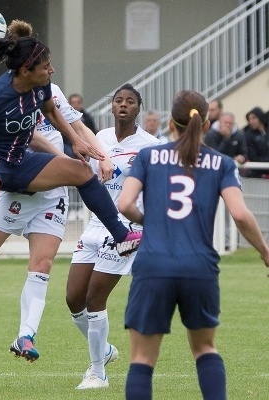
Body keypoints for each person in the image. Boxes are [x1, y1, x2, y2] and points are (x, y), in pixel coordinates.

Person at [0, 19, 109, 363]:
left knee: (41, 265)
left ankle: (25, 336)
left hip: (50, 190)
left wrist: (101, 155)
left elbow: (76, 125)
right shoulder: (8, 93)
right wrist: (60, 158)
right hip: (18, 182)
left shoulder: (48, 89)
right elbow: (29, 137)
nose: (48, 68)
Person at [0, 23, 142, 286]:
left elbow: (52, 112)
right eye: (45, 66)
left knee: (82, 171)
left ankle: (121, 237)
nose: (51, 70)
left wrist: (74, 140)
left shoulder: (41, 84)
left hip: (18, 159)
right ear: (24, 70)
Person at [117, 90, 269, 400]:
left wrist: (151, 220)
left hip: (153, 266)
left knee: (142, 359)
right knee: (204, 348)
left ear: (171, 123)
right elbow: (239, 214)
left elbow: (124, 204)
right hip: (199, 267)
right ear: (207, 122)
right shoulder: (223, 163)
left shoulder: (148, 156)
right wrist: (266, 252)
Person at [66, 84, 161, 390]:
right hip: (96, 225)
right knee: (73, 299)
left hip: (126, 229)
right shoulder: (100, 139)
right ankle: (105, 350)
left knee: (95, 298)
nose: (123, 105)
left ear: (138, 108)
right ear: (111, 107)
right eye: (118, 100)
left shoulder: (150, 145)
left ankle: (97, 373)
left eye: (129, 101)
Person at [242, 106, 269, 177]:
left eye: (254, 118)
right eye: (249, 119)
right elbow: (253, 156)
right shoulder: (248, 136)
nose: (251, 121)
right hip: (260, 174)